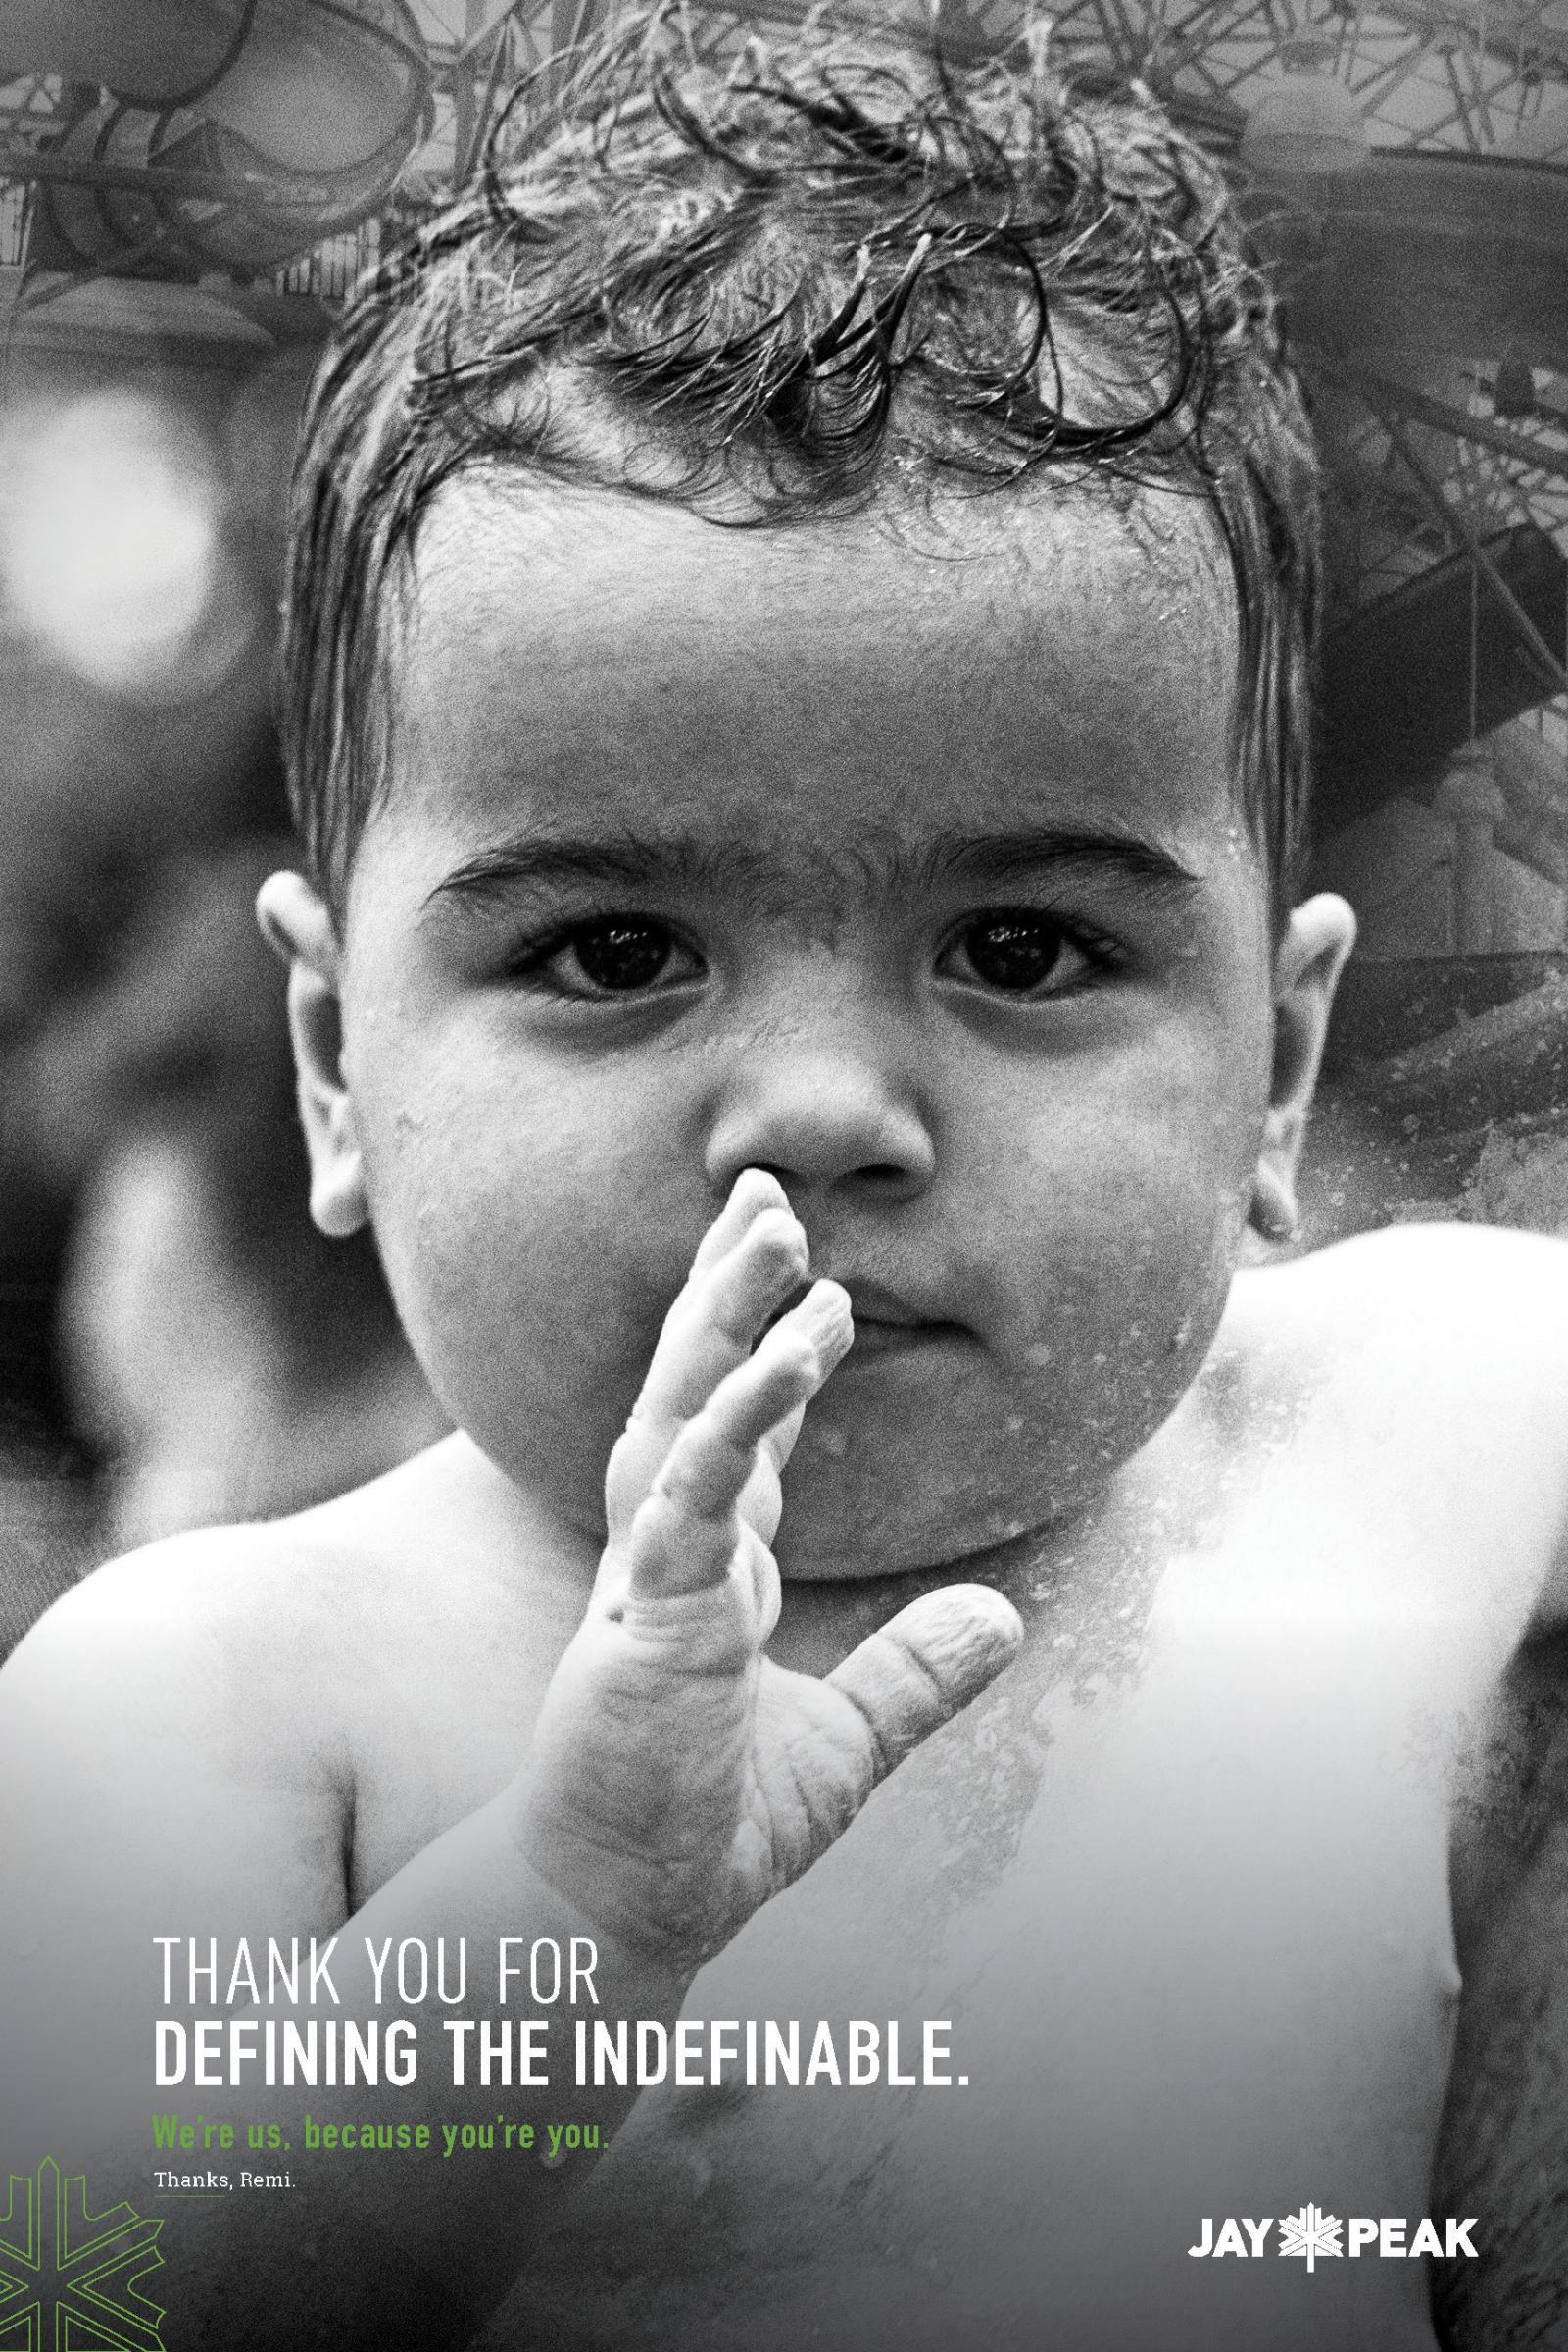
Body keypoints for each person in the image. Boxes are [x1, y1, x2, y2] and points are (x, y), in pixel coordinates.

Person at [1, 16, 1562, 2349]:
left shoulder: (1435, 1430)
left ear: (1275, 1065)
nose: (822, 1106)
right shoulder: (221, 1698)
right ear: (338, 1066)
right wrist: (560, 1924)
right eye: (613, 952)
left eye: (1022, 950)